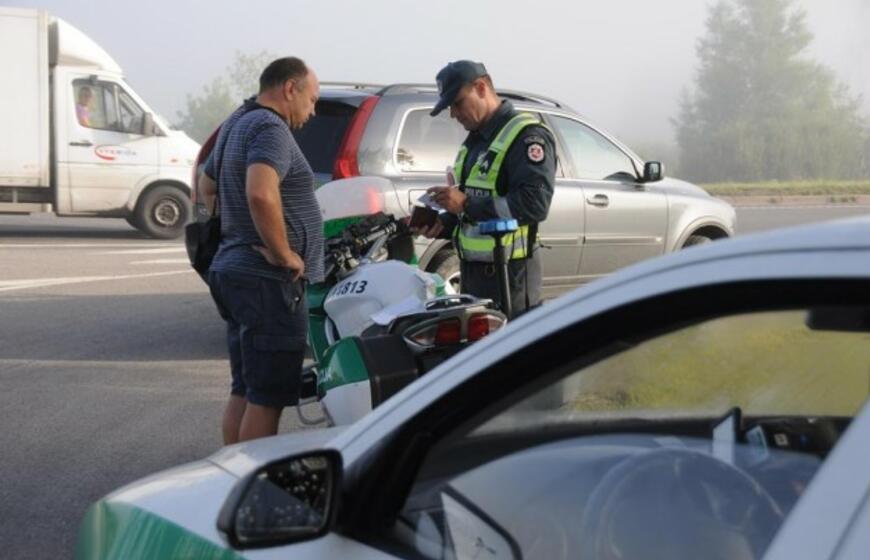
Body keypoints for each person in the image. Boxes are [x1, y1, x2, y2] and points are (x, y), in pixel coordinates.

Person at [199, 57, 323, 444]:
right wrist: (284, 253)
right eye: (312, 99)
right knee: (267, 399)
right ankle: (255, 487)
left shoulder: (238, 121)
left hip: (234, 271)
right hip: (266, 281)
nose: (313, 110)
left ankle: (232, 477)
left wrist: (233, 229)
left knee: (246, 390)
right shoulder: (271, 128)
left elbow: (206, 185)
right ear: (290, 88)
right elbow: (260, 191)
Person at [416, 60, 556, 318]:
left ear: (481, 87)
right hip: (474, 275)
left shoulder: (526, 135)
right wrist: (443, 222)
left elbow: (534, 204)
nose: (454, 114)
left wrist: (465, 204)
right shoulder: (475, 142)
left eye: (457, 103)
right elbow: (476, 210)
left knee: (512, 355)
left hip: (511, 276)